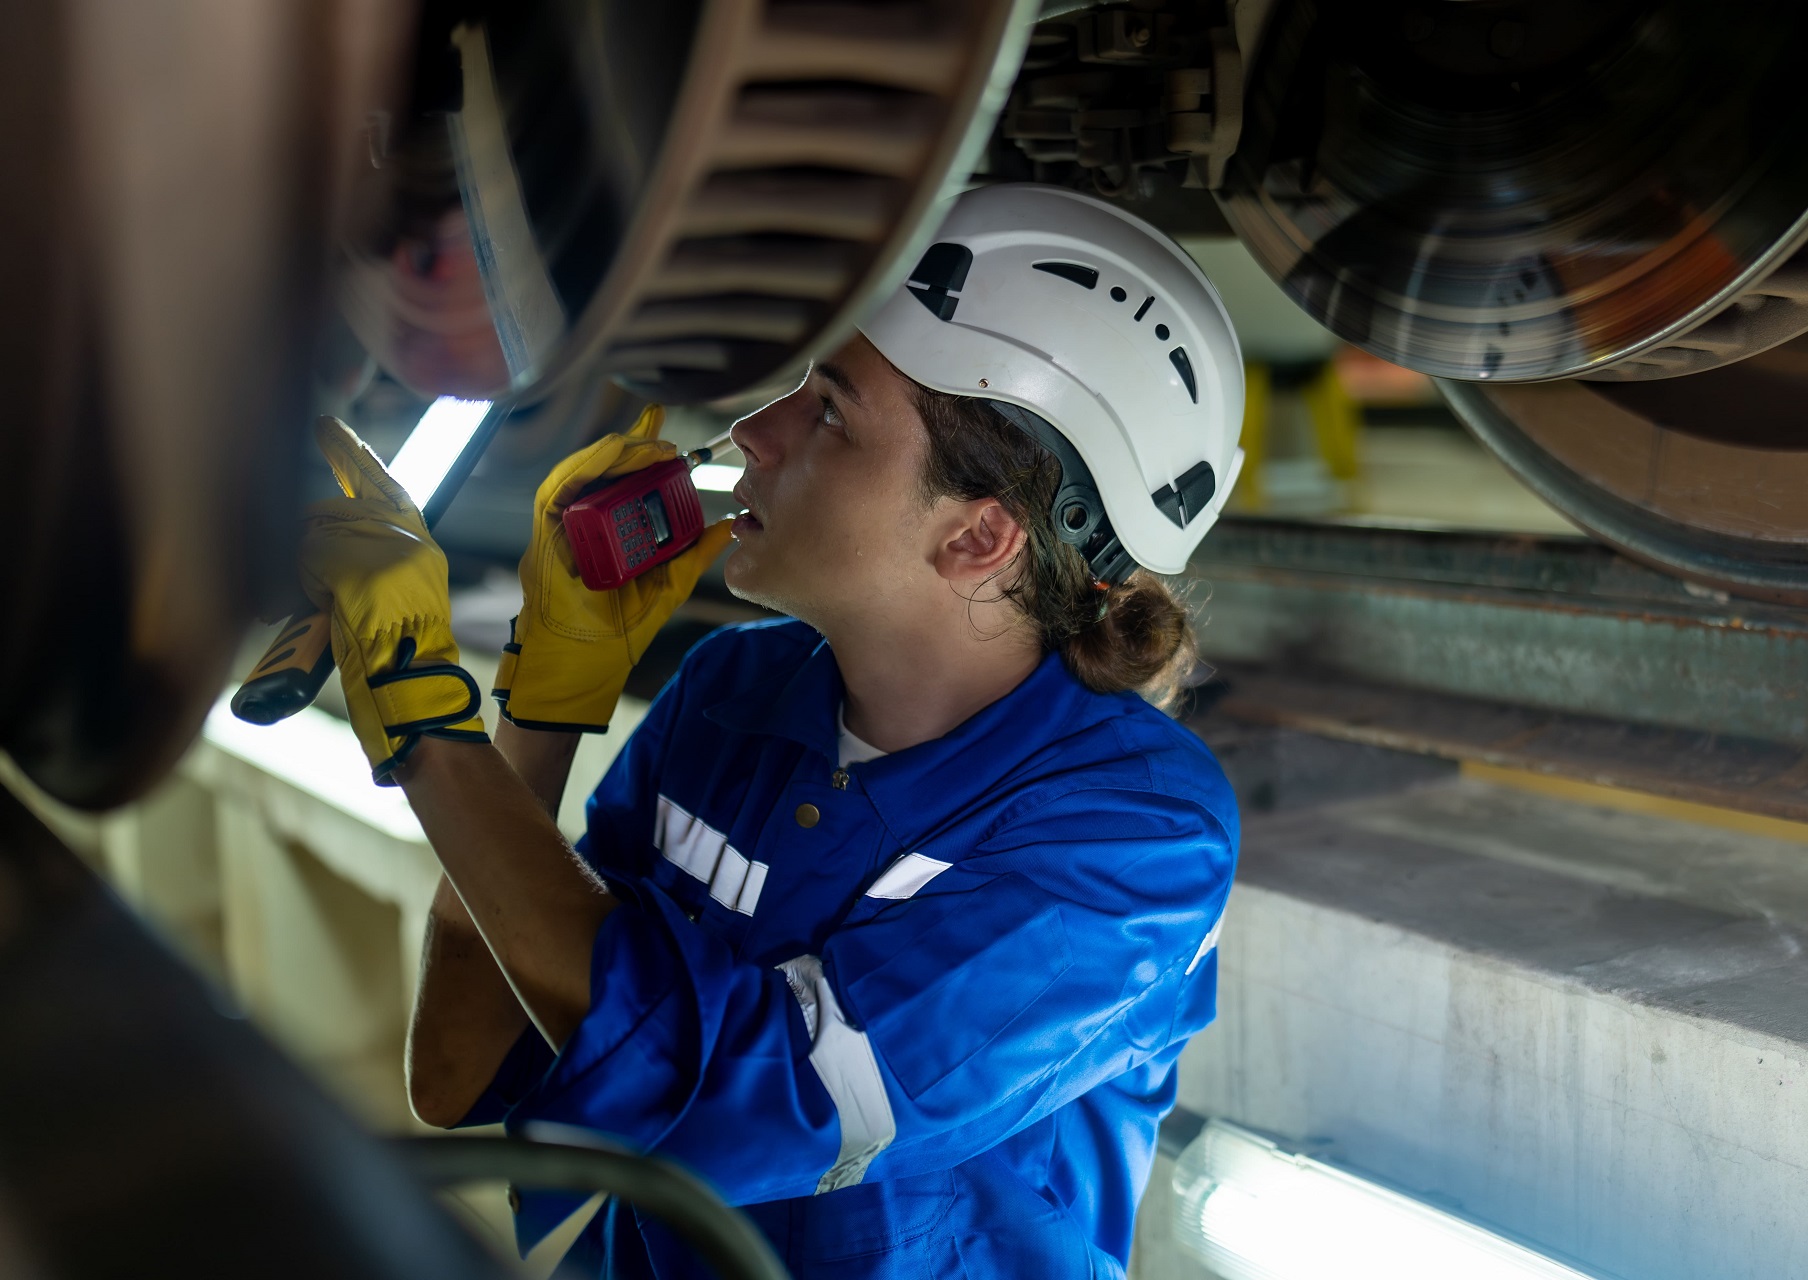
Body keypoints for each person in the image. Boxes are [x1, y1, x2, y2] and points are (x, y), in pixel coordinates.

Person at [297, 183, 1245, 1277]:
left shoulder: (1139, 834)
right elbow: (465, 1061)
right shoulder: (730, 690)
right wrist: (545, 708)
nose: (756, 429)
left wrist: (423, 717)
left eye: (830, 409)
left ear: (980, 534)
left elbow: (765, 1097)